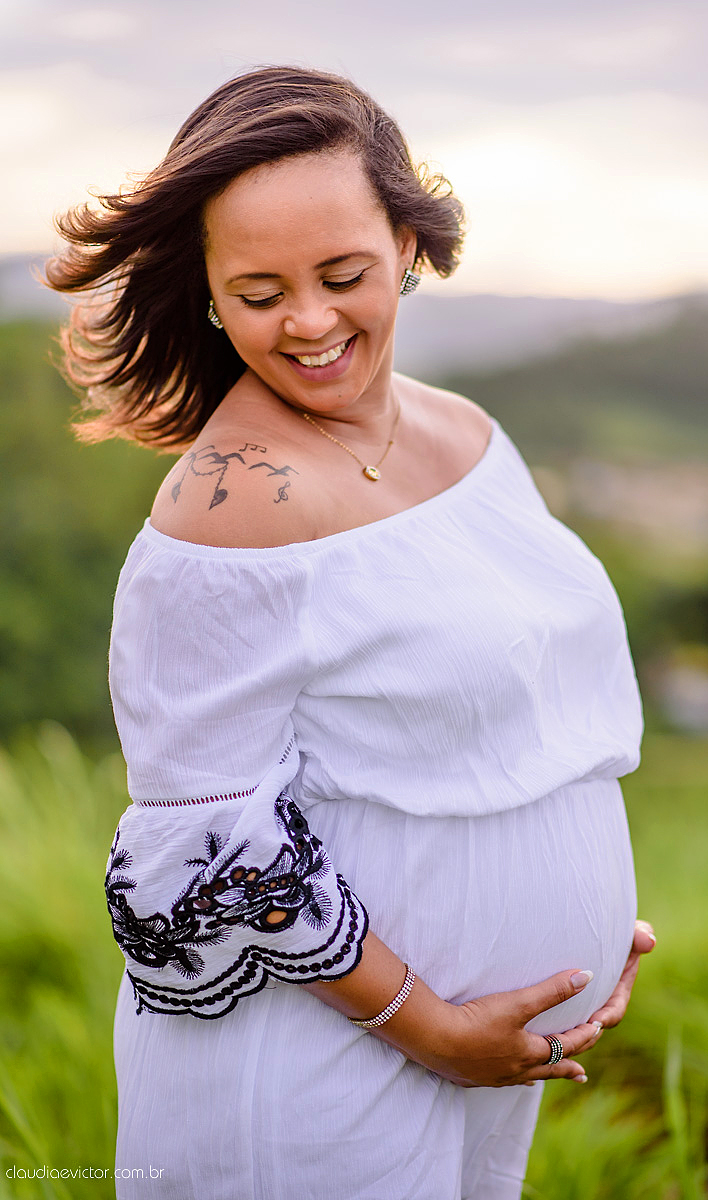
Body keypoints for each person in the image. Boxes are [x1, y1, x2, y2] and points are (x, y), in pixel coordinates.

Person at [47, 65, 656, 1200]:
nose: (312, 321)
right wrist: (430, 1028)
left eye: (343, 275)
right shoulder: (228, 512)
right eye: (261, 289)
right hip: (320, 1075)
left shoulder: (466, 434)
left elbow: (510, 719)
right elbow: (205, 853)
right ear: (212, 295)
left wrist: (583, 923)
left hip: (480, 1057)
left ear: (409, 247)